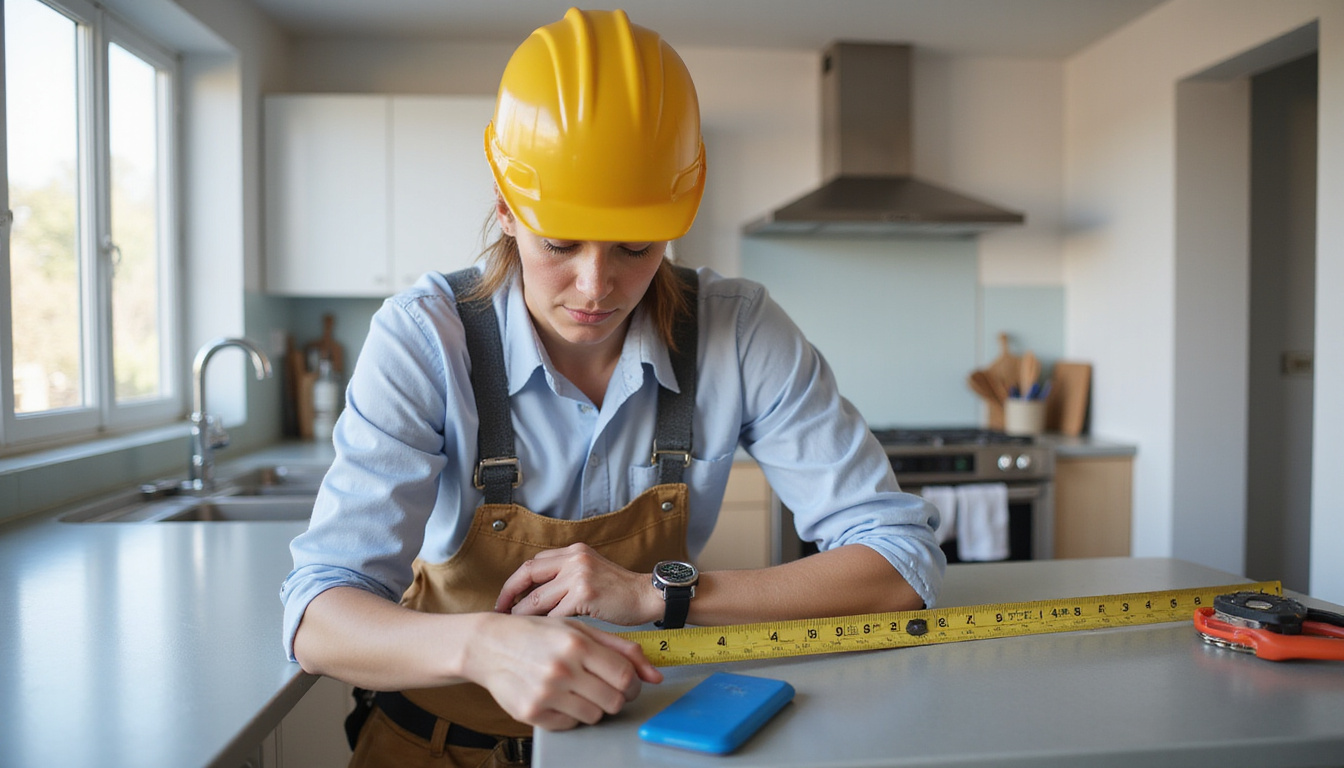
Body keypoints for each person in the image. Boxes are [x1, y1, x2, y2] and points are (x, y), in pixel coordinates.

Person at [280, 8, 944, 767]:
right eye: (560, 241)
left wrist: (660, 594)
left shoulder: (741, 331)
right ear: (506, 205)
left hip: (649, 741)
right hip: (433, 745)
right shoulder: (425, 339)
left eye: (636, 245)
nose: (597, 287)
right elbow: (320, 617)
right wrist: (484, 646)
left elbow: (901, 561)